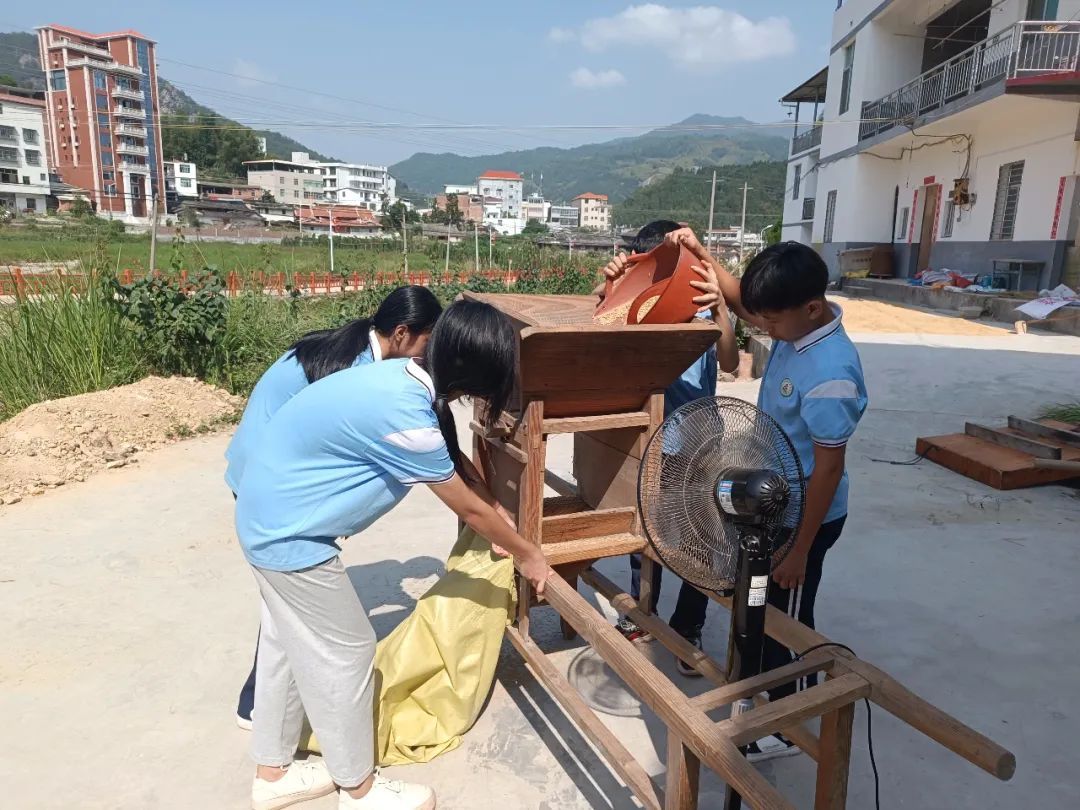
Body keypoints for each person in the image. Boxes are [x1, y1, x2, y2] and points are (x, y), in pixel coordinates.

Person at [235, 300, 550, 810]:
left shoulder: (402, 379)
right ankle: (359, 789)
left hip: (265, 515)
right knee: (349, 651)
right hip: (289, 537)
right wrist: (528, 553)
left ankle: (272, 774)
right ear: (476, 376)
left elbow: (457, 468)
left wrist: (496, 514)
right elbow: (465, 504)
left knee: (286, 644)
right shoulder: (405, 413)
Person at [663, 231, 867, 763]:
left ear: (812, 307)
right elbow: (745, 303)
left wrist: (799, 548)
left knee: (786, 620)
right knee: (757, 610)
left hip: (806, 517)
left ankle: (787, 723)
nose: (762, 330)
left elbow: (828, 470)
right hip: (770, 502)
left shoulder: (831, 373)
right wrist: (701, 251)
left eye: (770, 323)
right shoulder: (796, 325)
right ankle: (759, 705)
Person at [227, 285, 443, 730]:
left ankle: (263, 710)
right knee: (291, 612)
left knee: (282, 608)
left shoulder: (350, 342)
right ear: (401, 333)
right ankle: (259, 708)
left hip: (261, 472)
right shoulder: (360, 370)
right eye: (427, 344)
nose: (426, 357)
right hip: (267, 484)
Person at [595, 221, 740, 674]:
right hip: (649, 441)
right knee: (643, 532)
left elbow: (732, 362)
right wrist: (608, 287)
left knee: (700, 536)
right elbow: (598, 327)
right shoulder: (634, 313)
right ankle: (641, 613)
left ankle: (688, 625)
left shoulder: (698, 311)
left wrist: (719, 312)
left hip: (699, 441)